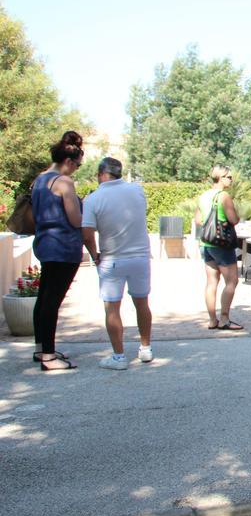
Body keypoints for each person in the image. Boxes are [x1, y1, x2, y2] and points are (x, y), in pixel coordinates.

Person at [81, 157, 154, 370]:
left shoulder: (93, 199)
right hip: (140, 257)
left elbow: (86, 234)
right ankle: (146, 347)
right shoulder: (137, 190)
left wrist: (95, 255)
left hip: (112, 259)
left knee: (112, 307)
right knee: (142, 303)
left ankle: (119, 356)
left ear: (100, 174)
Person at [30, 131, 85, 371]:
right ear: (69, 162)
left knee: (43, 299)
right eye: (78, 166)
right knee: (53, 301)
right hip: (63, 247)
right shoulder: (63, 182)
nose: (76, 170)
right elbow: (75, 219)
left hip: (44, 243)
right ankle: (49, 358)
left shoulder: (39, 179)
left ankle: (41, 348)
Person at [195, 165, 242, 330]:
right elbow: (234, 219)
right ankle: (224, 318)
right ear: (221, 177)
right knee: (232, 281)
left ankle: (212, 319)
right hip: (222, 244)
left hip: (206, 243)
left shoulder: (204, 196)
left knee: (211, 282)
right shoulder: (224, 196)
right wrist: (236, 216)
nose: (231, 180)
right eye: (229, 177)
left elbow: (198, 220)